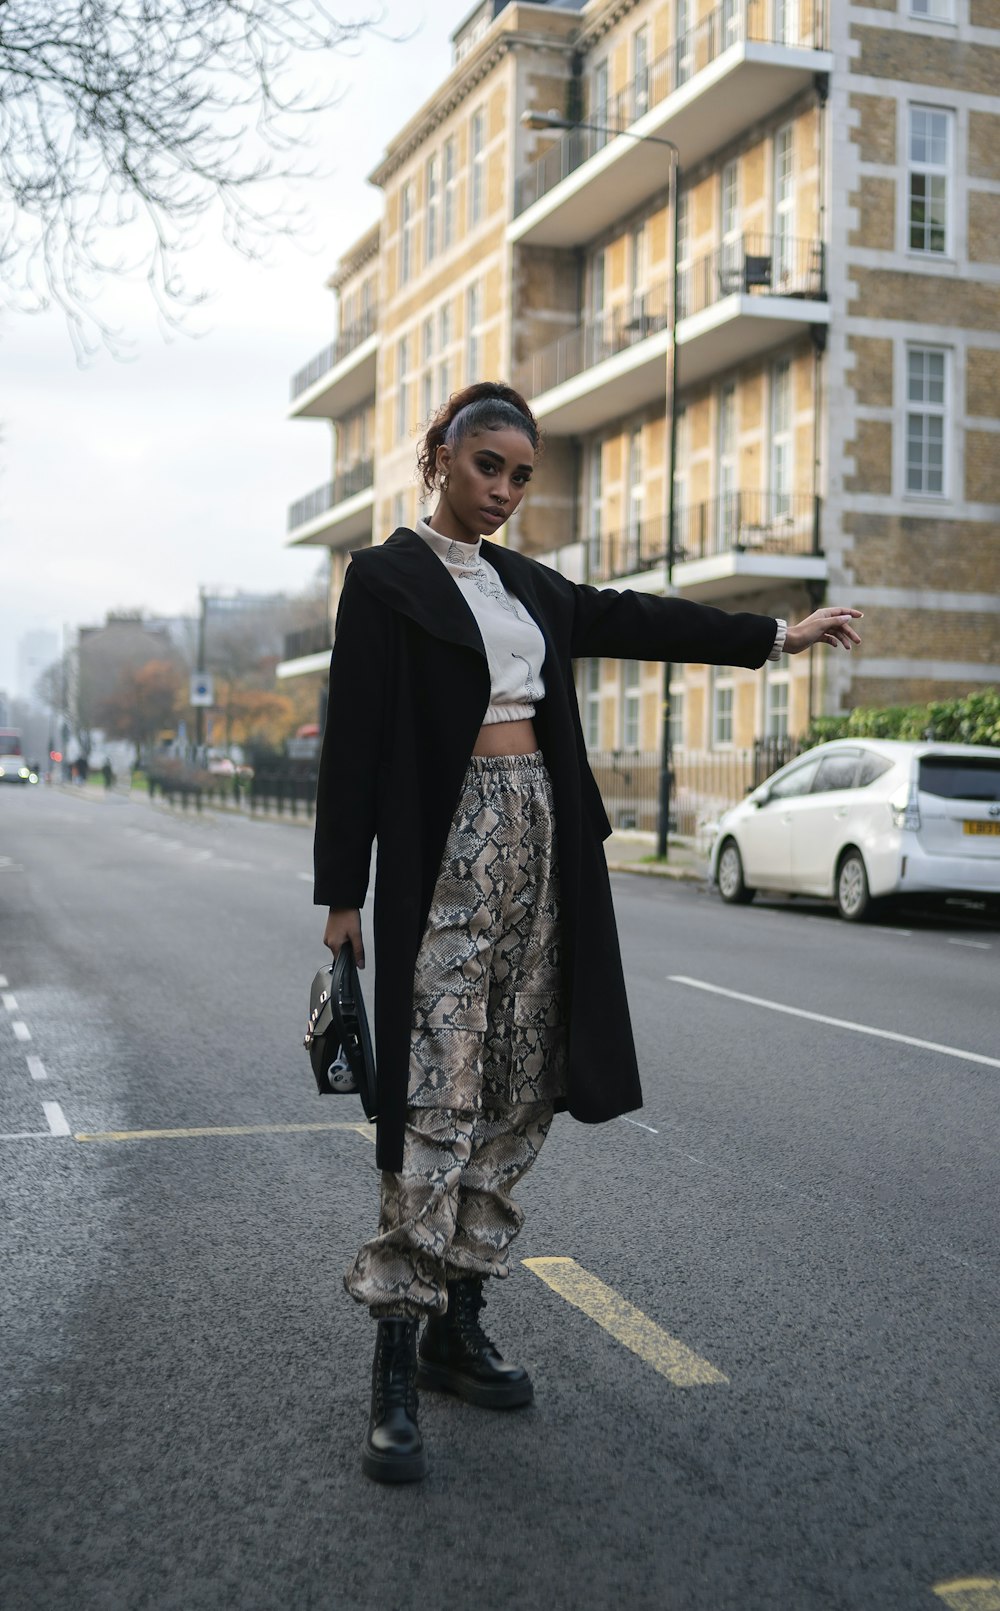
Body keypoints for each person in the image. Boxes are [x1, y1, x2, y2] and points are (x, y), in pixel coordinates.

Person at [313, 381, 862, 1486]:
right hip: (448, 854)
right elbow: (356, 741)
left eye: (522, 475)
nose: (506, 492)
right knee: (437, 1092)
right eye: (488, 468)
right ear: (440, 458)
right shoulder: (384, 582)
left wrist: (776, 635)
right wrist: (342, 901)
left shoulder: (529, 586)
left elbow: (635, 616)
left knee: (520, 1085)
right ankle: (391, 1353)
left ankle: (455, 1326)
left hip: (546, 848)